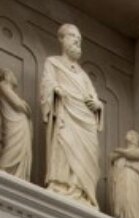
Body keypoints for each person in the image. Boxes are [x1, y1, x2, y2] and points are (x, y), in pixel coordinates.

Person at [40, 24, 103, 208]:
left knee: (86, 154)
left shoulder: (83, 75)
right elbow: (47, 83)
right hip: (66, 113)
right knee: (64, 144)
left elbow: (94, 97)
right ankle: (62, 185)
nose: (77, 40)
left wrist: (98, 105)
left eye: (79, 38)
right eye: (73, 36)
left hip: (86, 121)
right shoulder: (53, 63)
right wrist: (56, 89)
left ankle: (81, 191)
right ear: (62, 39)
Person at [109, 130, 139, 218]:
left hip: (132, 178)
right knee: (121, 199)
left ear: (135, 139)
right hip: (121, 178)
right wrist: (120, 154)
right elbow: (111, 157)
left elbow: (135, 154)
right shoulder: (121, 154)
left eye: (131, 134)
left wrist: (121, 152)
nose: (128, 135)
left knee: (131, 200)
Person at [0, 69, 32, 181]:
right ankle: (4, 169)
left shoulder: (8, 89)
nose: (15, 78)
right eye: (13, 75)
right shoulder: (3, 86)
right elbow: (18, 104)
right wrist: (25, 106)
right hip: (14, 126)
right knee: (13, 148)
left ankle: (18, 175)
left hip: (20, 125)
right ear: (7, 76)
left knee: (20, 151)